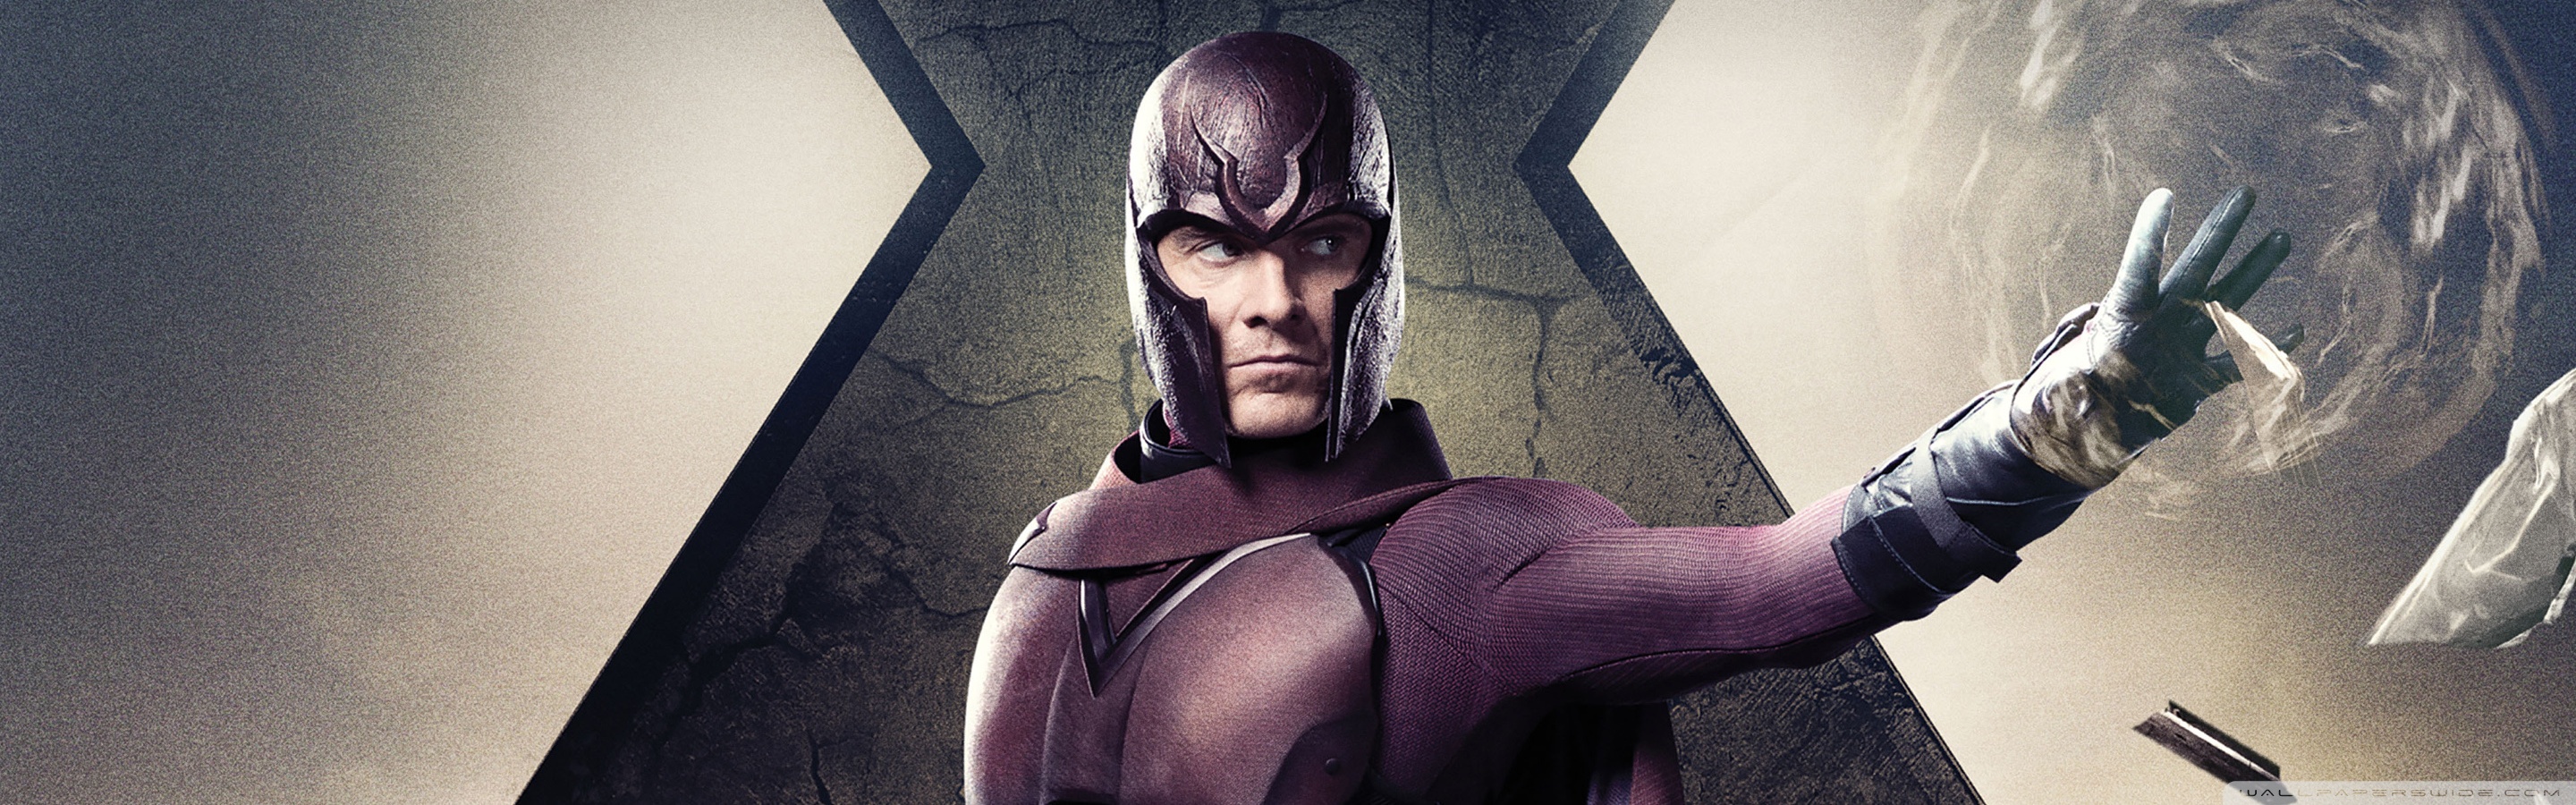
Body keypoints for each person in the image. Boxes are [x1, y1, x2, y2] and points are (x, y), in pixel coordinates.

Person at [961, 31, 2296, 804]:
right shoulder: (1050, 573)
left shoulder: (1460, 570)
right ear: (1151, 265)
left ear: (1379, 262)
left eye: (1322, 242)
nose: (1272, 302)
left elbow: (1775, 588)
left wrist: (2066, 420)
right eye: (1211, 246)